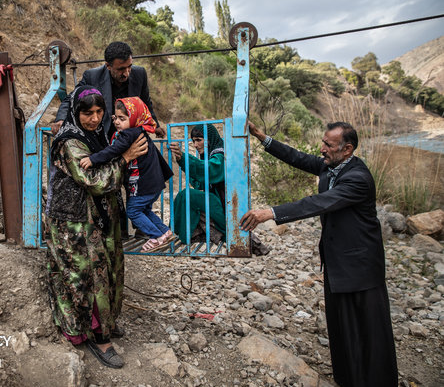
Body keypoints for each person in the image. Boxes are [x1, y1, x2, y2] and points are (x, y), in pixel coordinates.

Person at [240, 121, 398, 387]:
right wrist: (261, 136)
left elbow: (317, 203)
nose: (321, 149)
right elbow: (297, 158)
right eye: (323, 142)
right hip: (338, 262)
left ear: (347, 149)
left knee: (370, 329)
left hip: (360, 265)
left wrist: (270, 213)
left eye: (328, 144)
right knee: (341, 325)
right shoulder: (332, 165)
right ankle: (349, 378)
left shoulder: (358, 178)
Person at [44, 85, 148, 369]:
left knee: (108, 270)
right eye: (87, 112)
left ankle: (106, 323)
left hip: (96, 217)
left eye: (100, 112)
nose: (94, 118)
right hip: (74, 223)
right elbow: (93, 179)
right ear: (76, 113)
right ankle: (95, 335)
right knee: (87, 277)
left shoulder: (95, 135)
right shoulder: (69, 140)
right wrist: (125, 158)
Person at [80, 96, 174, 252]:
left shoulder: (129, 134)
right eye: (115, 118)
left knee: (133, 211)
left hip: (144, 185)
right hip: (153, 184)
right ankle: (165, 231)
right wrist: (122, 120)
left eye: (122, 119)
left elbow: (113, 150)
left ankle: (156, 236)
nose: (117, 122)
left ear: (135, 118)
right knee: (144, 210)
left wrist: (93, 159)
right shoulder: (139, 131)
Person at [52, 41, 166, 139]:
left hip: (130, 135)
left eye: (129, 66)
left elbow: (145, 102)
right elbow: (71, 99)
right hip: (103, 136)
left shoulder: (140, 73)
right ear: (108, 66)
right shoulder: (92, 77)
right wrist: (60, 119)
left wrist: (155, 124)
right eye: (121, 69)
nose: (126, 73)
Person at [169, 124, 227, 244]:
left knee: (187, 195)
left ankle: (175, 233)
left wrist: (184, 159)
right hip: (216, 203)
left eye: (199, 140)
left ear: (210, 139)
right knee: (184, 195)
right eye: (194, 141)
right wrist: (183, 162)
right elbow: (199, 184)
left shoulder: (220, 156)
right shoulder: (209, 154)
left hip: (225, 209)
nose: (195, 145)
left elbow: (209, 170)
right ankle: (172, 232)